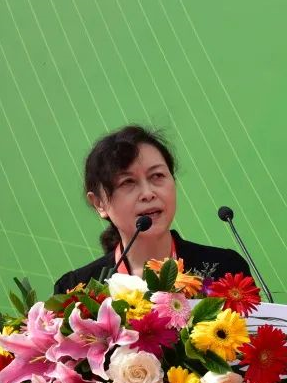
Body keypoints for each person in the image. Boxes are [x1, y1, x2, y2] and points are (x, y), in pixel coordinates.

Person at [52, 125, 250, 294]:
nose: (148, 193)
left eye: (157, 176)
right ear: (99, 203)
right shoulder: (77, 291)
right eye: (127, 182)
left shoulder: (225, 270)